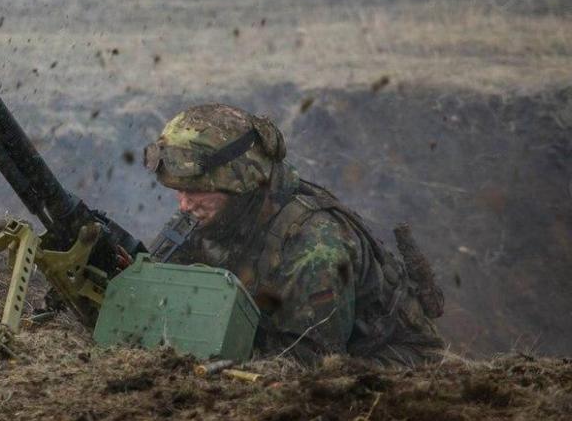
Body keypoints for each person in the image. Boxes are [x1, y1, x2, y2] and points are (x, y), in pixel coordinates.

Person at [142, 103, 446, 366]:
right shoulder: (218, 213)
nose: (183, 205)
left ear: (242, 183)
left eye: (196, 191)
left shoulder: (314, 246)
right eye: (179, 190)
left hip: (388, 367)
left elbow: (310, 365)